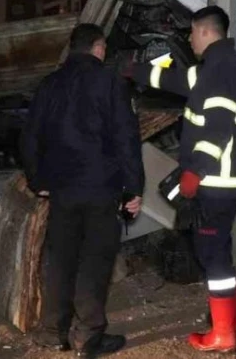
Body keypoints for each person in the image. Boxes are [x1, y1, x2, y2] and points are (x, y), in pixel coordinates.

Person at [127, 6, 236, 353]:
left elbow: (217, 126)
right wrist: (134, 71)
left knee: (210, 252)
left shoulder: (220, 68)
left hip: (215, 178)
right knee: (220, 251)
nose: (189, 40)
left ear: (205, 31)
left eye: (192, 33)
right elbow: (177, 81)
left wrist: (195, 171)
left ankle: (224, 335)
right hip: (224, 179)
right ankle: (230, 319)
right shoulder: (219, 64)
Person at [20, 23, 144, 358]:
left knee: (60, 260)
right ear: (99, 47)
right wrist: (133, 188)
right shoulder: (111, 82)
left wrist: (38, 180)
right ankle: (88, 336)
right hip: (101, 188)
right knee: (94, 260)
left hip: (61, 190)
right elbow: (126, 140)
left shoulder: (49, 85)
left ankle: (53, 331)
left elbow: (30, 138)